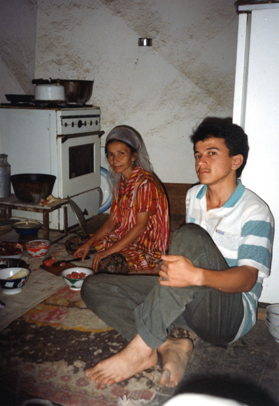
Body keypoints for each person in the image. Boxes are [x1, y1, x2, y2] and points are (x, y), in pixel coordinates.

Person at [81, 118, 274, 387]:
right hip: (191, 301)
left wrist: (196, 276)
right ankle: (170, 345)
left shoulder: (255, 211)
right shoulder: (194, 195)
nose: (200, 162)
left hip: (227, 316)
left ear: (236, 161)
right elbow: (184, 267)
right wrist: (180, 276)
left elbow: (247, 280)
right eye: (197, 154)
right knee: (93, 287)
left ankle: (141, 348)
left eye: (211, 153)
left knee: (188, 235)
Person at [73, 125, 169, 273]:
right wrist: (90, 242)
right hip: (120, 236)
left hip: (142, 245)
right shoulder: (120, 181)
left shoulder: (145, 184)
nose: (115, 160)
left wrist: (107, 252)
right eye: (110, 155)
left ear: (134, 156)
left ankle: (115, 255)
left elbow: (140, 227)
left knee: (106, 264)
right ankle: (105, 250)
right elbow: (112, 221)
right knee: (75, 243)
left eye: (121, 153)